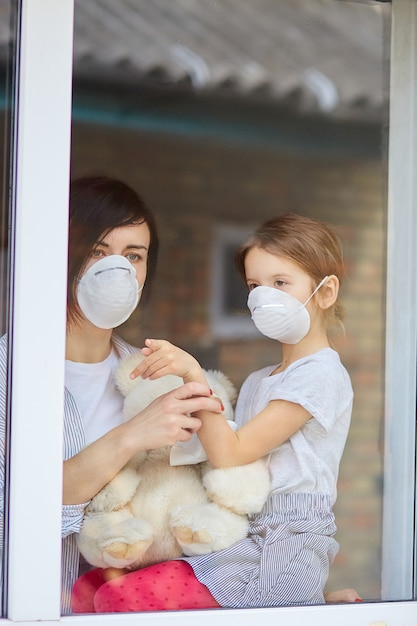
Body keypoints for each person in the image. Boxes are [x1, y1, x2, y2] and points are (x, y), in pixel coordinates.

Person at [72, 213, 361, 612]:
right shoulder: (262, 379)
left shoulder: (321, 373)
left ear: (326, 293)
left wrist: (192, 374)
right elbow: (221, 450)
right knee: (87, 588)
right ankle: (317, 604)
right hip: (245, 533)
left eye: (280, 283)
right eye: (255, 285)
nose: (263, 296)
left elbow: (232, 452)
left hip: (284, 545)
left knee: (117, 596)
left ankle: (309, 600)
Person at [0, 175, 224, 615]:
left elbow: (204, 511)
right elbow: (15, 512)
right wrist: (129, 437)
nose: (117, 269)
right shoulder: (10, 374)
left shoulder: (151, 377)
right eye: (98, 250)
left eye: (133, 255)